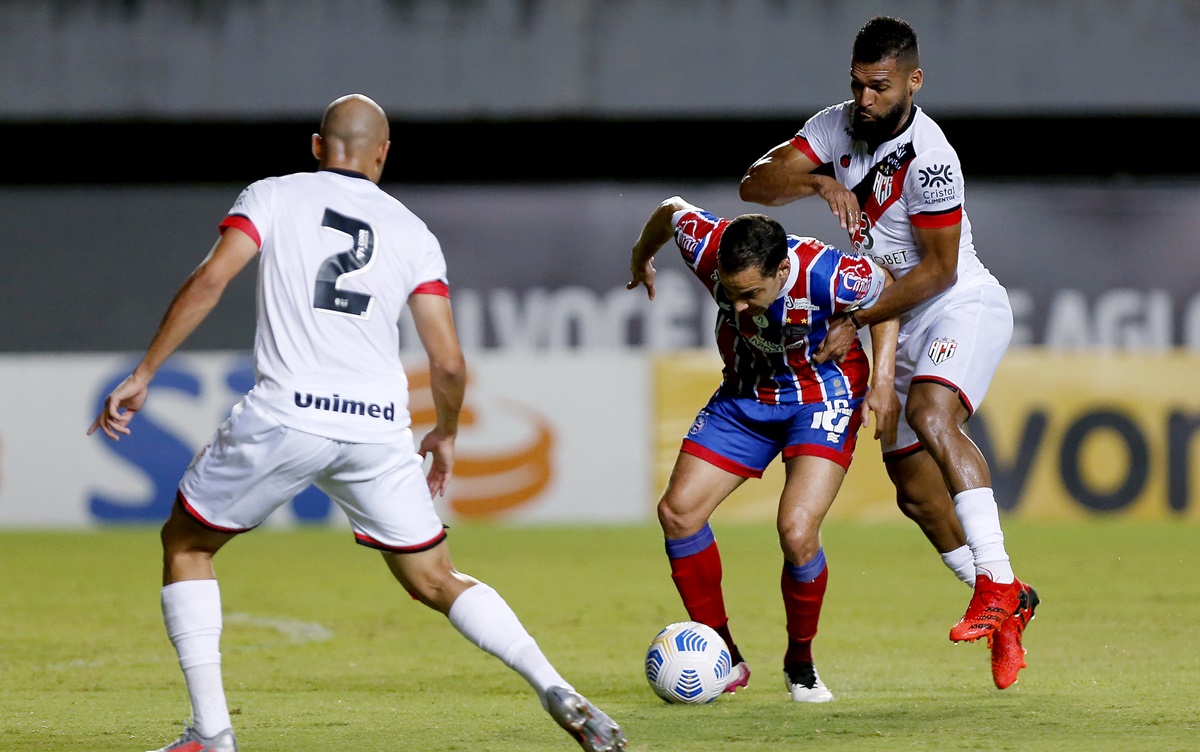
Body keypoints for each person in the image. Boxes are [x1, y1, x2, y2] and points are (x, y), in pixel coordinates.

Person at [87, 94, 626, 752]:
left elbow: (210, 281)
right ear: (383, 153)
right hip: (376, 426)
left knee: (188, 546)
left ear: (318, 146)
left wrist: (145, 372)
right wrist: (446, 434)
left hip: (287, 413)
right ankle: (552, 683)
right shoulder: (412, 232)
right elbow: (449, 363)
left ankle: (212, 734)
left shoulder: (272, 195)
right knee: (437, 578)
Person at [738, 16, 1039, 690]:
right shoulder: (836, 126)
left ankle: (993, 588)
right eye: (857, 85)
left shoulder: (931, 158)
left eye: (879, 87)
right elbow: (753, 186)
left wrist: (857, 318)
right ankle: (1009, 596)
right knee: (915, 495)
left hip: (956, 304)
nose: (865, 99)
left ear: (913, 81)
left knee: (934, 416)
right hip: (897, 319)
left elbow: (936, 273)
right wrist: (818, 184)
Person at [628, 195, 899, 702]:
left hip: (823, 391)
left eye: (751, 293)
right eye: (729, 293)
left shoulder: (831, 274)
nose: (737, 306)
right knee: (678, 512)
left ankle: (801, 661)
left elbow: (888, 287)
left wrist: (881, 377)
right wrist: (641, 255)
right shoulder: (706, 245)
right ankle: (725, 658)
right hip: (747, 394)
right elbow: (669, 210)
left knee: (797, 533)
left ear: (782, 269)